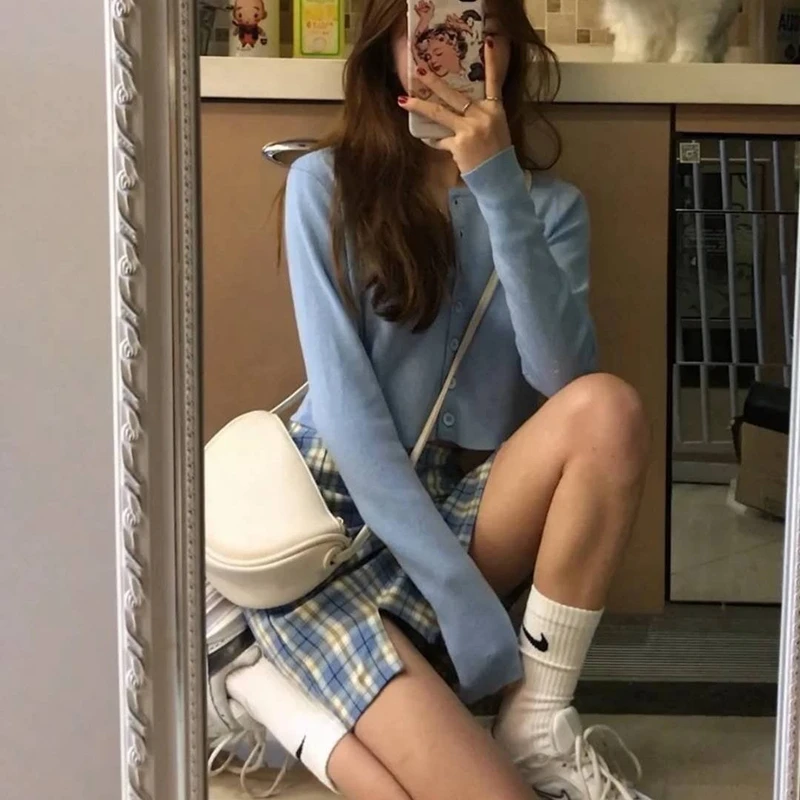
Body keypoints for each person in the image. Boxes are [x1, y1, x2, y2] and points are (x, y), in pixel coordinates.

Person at [207, 0, 652, 798]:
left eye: (473, 30)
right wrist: (464, 604)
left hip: (463, 504)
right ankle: (263, 682)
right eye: (425, 28)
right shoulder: (325, 186)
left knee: (609, 409)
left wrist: (497, 185)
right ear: (389, 48)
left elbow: (565, 382)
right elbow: (350, 421)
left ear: (506, 50)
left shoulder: (551, 209)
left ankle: (536, 719)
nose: (446, 52)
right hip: (335, 528)